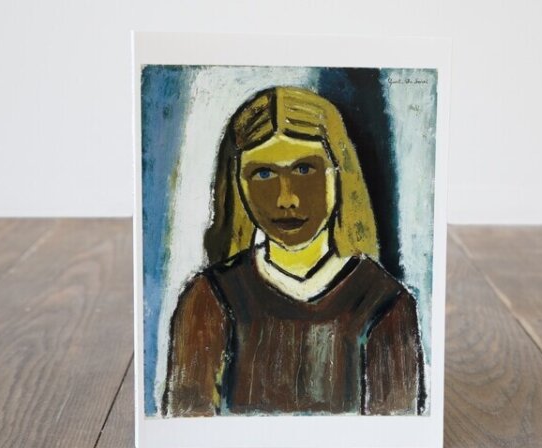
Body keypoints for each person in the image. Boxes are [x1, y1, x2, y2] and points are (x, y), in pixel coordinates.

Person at [162, 86, 425, 417]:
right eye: (263, 174)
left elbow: (394, 431)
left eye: (304, 169)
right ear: (238, 183)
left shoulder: (385, 303)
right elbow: (187, 424)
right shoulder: (210, 297)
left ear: (339, 172)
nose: (286, 198)